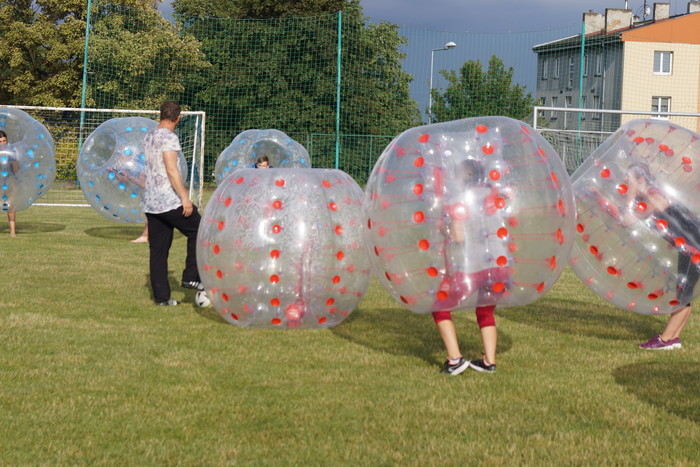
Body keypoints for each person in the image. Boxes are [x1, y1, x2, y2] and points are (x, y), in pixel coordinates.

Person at [431, 159, 507, 375]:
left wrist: (443, 228)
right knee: (485, 311)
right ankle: (489, 362)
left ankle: (455, 360)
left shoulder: (460, 201)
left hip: (475, 266)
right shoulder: (494, 196)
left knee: (440, 307)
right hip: (500, 265)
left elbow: (458, 237)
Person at [620, 163, 696, 350]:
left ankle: (665, 340)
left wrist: (631, 193)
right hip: (690, 249)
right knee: (684, 293)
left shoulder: (653, 197)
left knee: (682, 295)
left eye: (629, 178)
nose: (624, 180)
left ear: (640, 179)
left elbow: (626, 220)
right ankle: (673, 338)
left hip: (694, 250)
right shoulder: (652, 194)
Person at [142, 101, 203, 306]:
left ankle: (162, 298)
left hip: (151, 203)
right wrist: (185, 198)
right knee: (201, 230)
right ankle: (191, 277)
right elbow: (171, 169)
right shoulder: (169, 137)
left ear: (161, 115)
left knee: (158, 251)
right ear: (177, 118)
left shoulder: (149, 136)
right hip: (168, 201)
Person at [0, 130, 16, 237]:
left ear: (7, 141)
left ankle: (12, 231)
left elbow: (16, 168)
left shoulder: (11, 152)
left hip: (9, 181)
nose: (2, 143)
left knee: (11, 207)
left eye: (4, 141)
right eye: (0, 142)